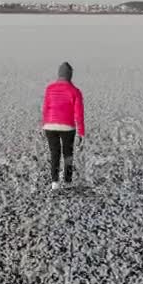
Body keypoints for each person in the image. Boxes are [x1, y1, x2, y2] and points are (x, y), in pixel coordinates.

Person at [41, 62, 85, 190]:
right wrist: (81, 133)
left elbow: (46, 108)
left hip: (50, 126)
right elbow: (79, 114)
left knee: (54, 153)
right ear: (70, 75)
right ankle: (67, 181)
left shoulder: (49, 88)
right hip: (67, 127)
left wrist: (43, 124)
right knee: (68, 154)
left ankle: (55, 183)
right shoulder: (75, 91)